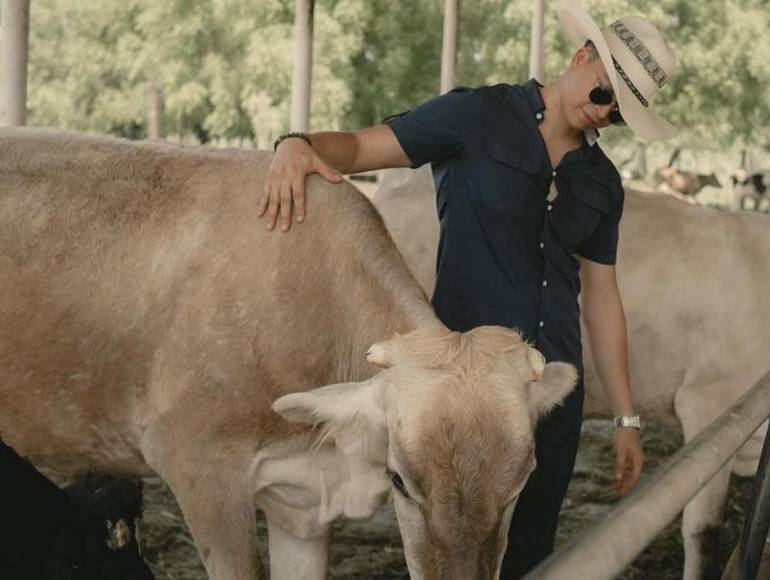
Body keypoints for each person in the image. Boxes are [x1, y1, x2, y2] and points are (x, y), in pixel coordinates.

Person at [258, 3, 677, 577]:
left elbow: (602, 297)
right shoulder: (477, 114)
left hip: (545, 390)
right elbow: (359, 148)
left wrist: (626, 419)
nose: (605, 115)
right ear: (583, 56)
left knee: (529, 550)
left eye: (621, 116)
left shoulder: (602, 181)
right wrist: (296, 144)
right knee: (455, 551)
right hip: (461, 397)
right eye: (606, 95)